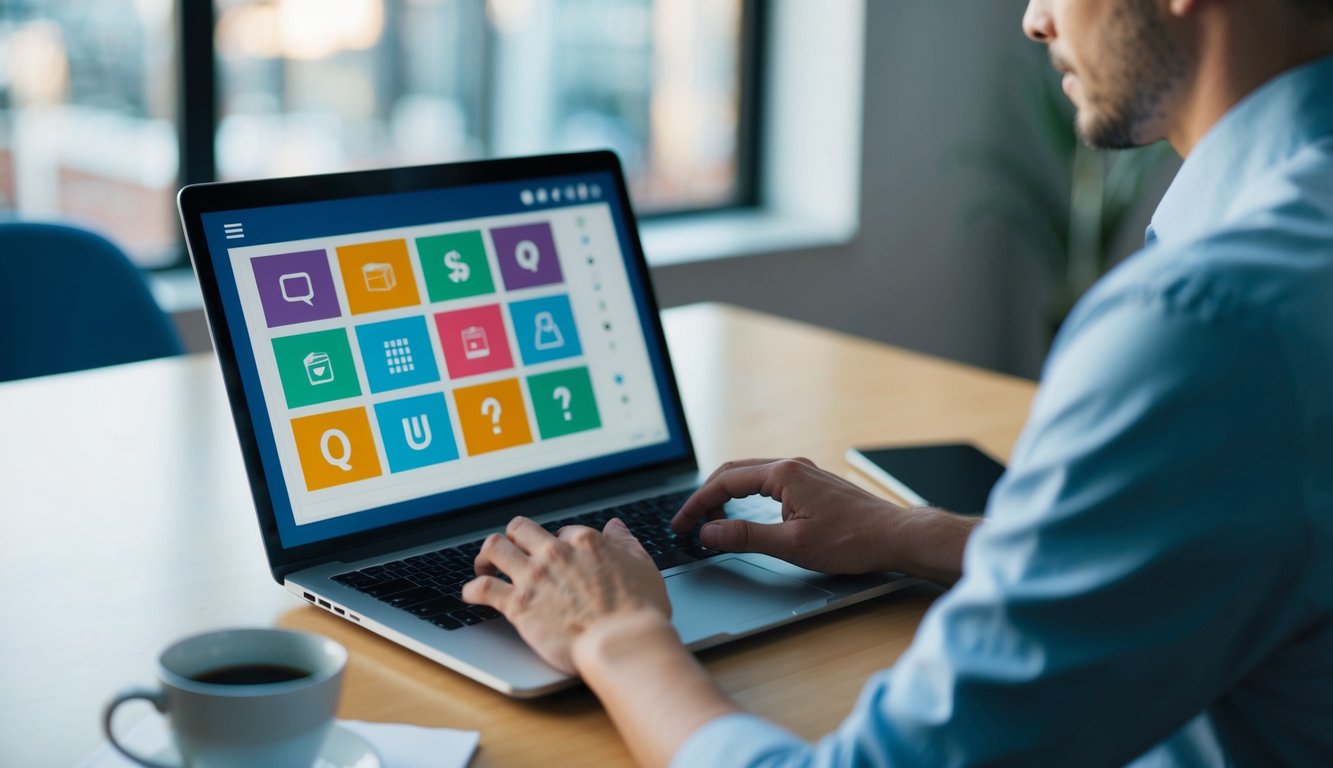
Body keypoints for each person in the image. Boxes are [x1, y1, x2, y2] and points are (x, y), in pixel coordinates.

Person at [462, 0, 1333, 763]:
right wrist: (914, 535)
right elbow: (1234, 545)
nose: (1034, 19)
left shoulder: (1207, 322)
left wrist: (617, 634)